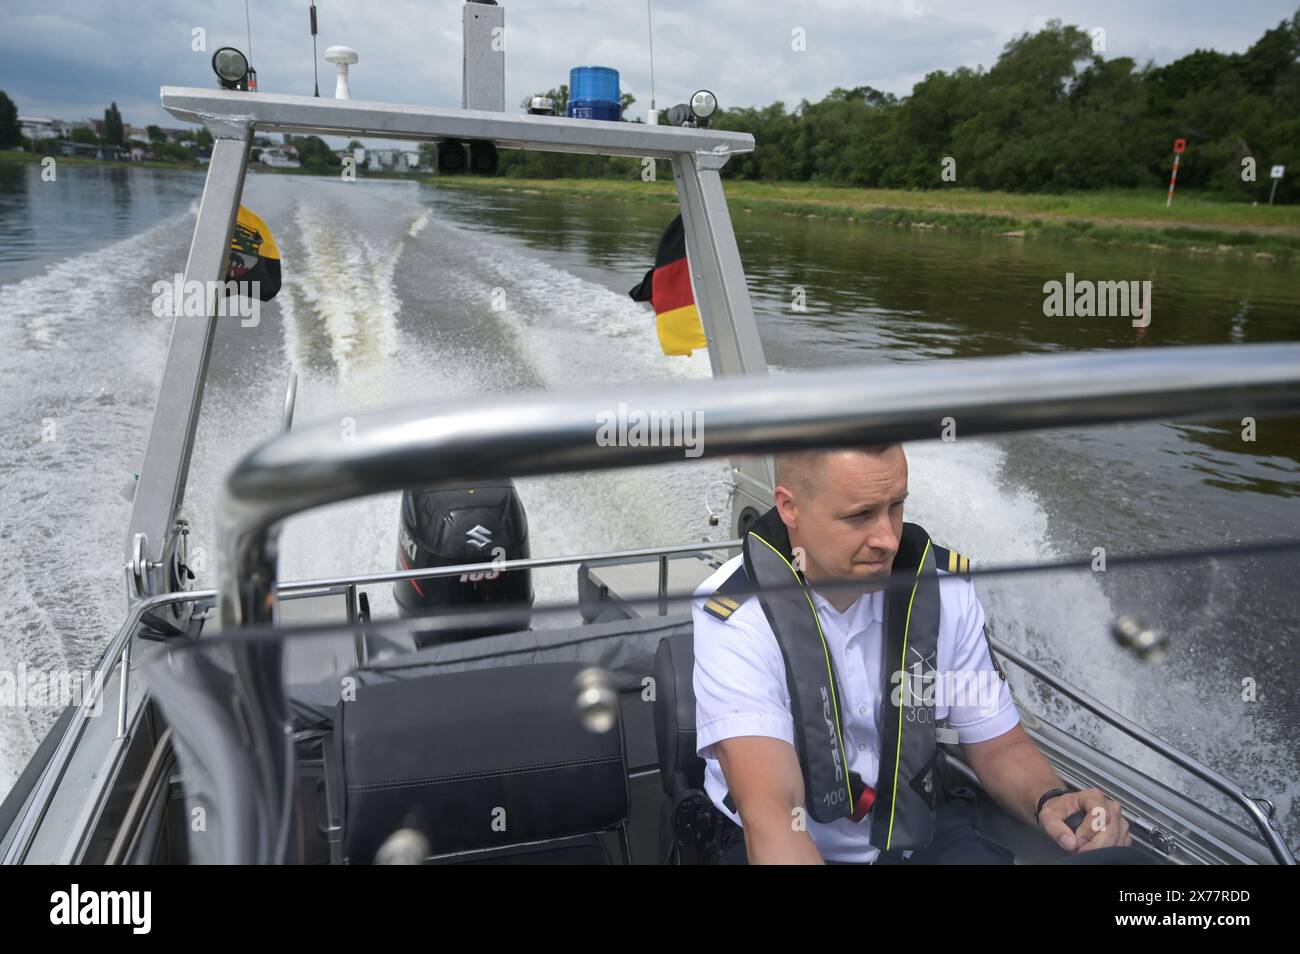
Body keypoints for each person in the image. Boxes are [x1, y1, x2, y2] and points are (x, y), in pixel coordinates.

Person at [691, 444, 1147, 864]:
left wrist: (1049, 799)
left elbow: (999, 745)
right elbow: (772, 814)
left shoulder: (942, 591)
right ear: (791, 508)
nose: (887, 538)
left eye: (896, 506)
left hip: (915, 835)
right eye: (861, 515)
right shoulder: (738, 616)